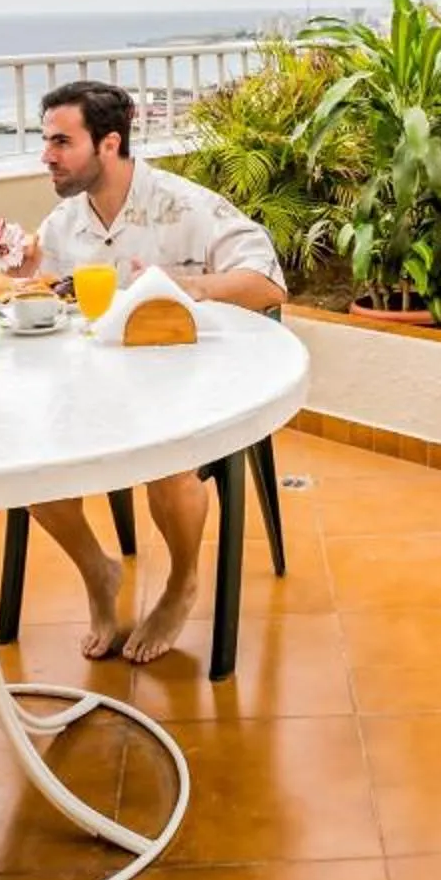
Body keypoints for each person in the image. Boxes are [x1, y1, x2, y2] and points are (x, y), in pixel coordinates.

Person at [27, 78, 285, 663]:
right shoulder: (63, 224)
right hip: (94, 389)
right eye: (46, 141)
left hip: (186, 386)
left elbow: (267, 283)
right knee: (30, 467)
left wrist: (189, 285)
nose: (47, 156)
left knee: (167, 463)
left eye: (61, 142)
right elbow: (43, 298)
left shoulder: (184, 206)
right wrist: (20, 279)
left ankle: (182, 583)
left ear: (109, 143)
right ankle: (98, 571)